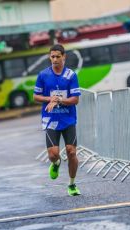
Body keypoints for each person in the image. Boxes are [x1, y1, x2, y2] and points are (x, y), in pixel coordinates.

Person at [33, 44, 81, 196]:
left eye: (57, 57)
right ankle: (56, 163)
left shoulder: (71, 75)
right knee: (53, 154)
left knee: (71, 152)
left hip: (68, 119)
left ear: (64, 57)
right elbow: (36, 96)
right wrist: (50, 99)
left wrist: (59, 101)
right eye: (52, 56)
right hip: (50, 120)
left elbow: (75, 99)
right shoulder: (43, 75)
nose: (54, 59)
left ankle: (72, 185)